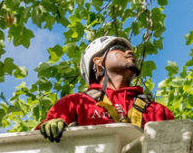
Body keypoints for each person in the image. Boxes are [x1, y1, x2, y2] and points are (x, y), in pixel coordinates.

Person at [37, 36, 174, 142]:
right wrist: (50, 126)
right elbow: (37, 147)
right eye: (119, 48)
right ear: (97, 61)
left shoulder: (157, 111)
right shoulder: (76, 103)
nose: (129, 52)